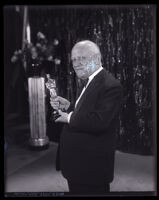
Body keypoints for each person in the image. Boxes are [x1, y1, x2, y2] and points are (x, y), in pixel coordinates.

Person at [50, 40, 123, 195]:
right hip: (79, 166)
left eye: (82, 58)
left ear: (96, 59)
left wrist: (68, 117)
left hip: (91, 169)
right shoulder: (90, 80)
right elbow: (86, 112)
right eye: (74, 60)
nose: (76, 64)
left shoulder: (111, 85)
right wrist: (69, 106)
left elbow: (99, 121)